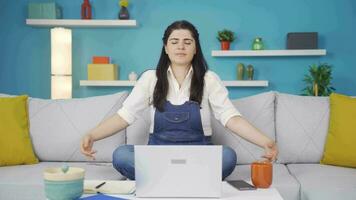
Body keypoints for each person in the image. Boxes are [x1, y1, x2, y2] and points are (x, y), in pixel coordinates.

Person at [80, 20, 278, 180]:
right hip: (157, 155)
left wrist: (265, 141)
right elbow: (124, 116)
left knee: (227, 157)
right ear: (166, 48)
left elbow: (230, 118)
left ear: (195, 48)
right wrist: (92, 135)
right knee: (121, 155)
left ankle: (161, 180)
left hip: (199, 155)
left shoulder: (209, 79)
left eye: (187, 42)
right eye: (174, 42)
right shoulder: (150, 78)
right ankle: (188, 181)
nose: (180, 46)